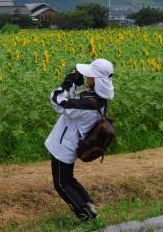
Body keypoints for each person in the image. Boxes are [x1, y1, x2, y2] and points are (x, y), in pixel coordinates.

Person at [45, 58, 115, 222]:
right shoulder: (97, 97)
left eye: (90, 75)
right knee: (69, 179)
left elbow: (59, 103)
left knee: (62, 184)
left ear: (97, 80)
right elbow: (75, 104)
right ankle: (89, 206)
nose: (87, 77)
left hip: (65, 146)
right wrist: (75, 86)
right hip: (69, 142)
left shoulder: (89, 103)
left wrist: (66, 84)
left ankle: (86, 217)